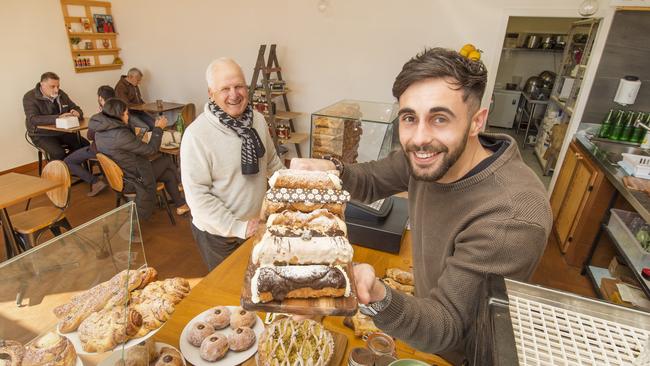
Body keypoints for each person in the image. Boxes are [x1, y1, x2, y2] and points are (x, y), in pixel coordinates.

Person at [291, 48, 552, 364]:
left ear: (476, 121)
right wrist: (332, 171)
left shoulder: (511, 215)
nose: (419, 138)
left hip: (459, 353)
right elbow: (370, 179)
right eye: (409, 118)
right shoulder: (429, 156)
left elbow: (447, 325)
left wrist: (376, 296)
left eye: (439, 118)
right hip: (424, 317)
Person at [180, 58, 284, 271]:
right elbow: (198, 197)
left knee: (256, 284)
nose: (234, 94)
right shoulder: (196, 135)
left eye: (239, 86)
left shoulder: (257, 120)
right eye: (225, 89)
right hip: (219, 237)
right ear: (211, 93)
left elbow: (272, 163)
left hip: (255, 225)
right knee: (229, 293)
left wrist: (293, 191)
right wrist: (239, 227)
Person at [92, 98, 189, 220]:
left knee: (168, 173)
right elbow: (151, 150)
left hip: (123, 174)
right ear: (118, 115)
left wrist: (135, 140)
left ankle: (181, 204)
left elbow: (124, 148)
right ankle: (181, 184)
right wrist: (158, 129)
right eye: (127, 114)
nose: (128, 117)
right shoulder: (120, 135)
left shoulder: (100, 131)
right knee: (166, 160)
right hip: (133, 179)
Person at [23, 72, 89, 161]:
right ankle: (61, 171)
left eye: (58, 86)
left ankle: (71, 167)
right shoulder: (30, 97)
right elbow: (33, 119)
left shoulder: (61, 94)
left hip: (62, 131)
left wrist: (78, 113)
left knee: (85, 146)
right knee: (58, 153)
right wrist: (58, 118)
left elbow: (76, 108)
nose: (56, 90)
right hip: (41, 134)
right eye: (52, 86)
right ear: (42, 84)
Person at [63, 85, 114, 196]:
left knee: (68, 161)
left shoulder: (98, 117)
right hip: (119, 149)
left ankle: (95, 182)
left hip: (100, 150)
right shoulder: (122, 112)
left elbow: (90, 136)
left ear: (100, 99)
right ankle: (107, 174)